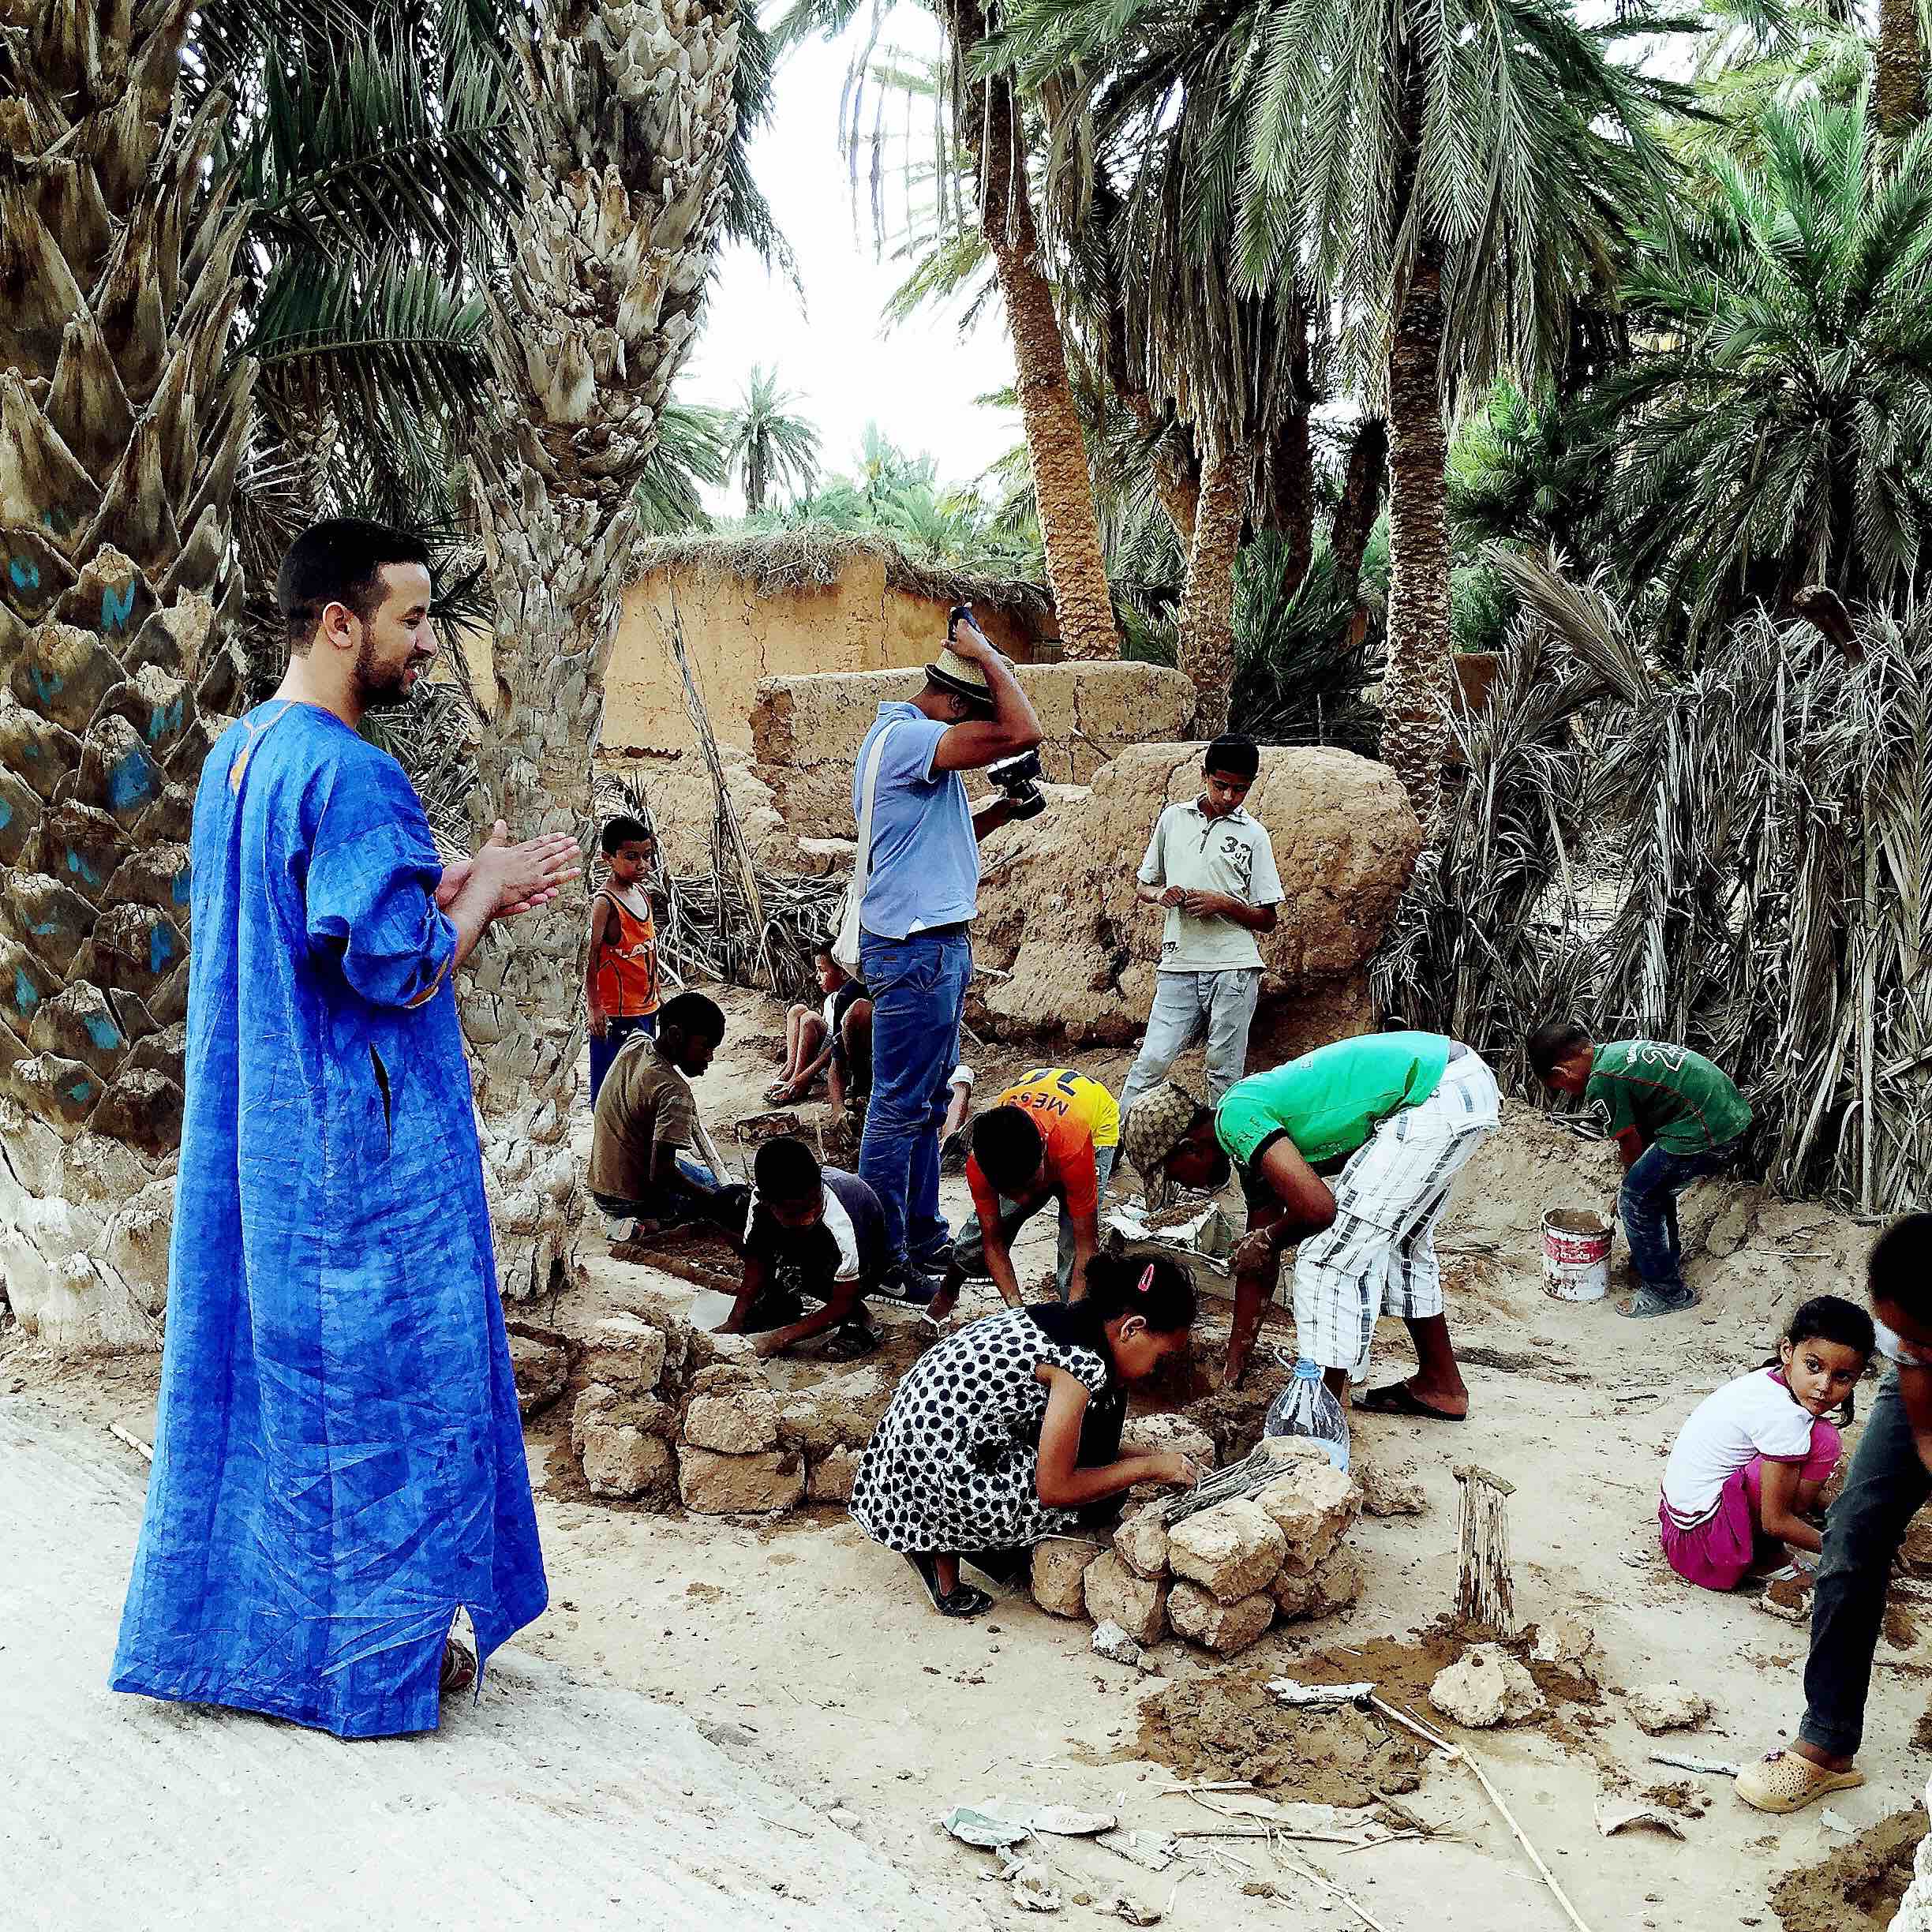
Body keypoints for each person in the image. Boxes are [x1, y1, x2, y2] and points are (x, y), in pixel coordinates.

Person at [110, 519, 579, 1738]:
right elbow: (393, 969)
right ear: (340, 622)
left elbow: (302, 913)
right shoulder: (355, 770)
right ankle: (376, 1670)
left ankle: (249, 1645)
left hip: (260, 1138)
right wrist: (474, 896)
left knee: (277, 1396)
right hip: (358, 1155)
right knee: (388, 1401)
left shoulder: (240, 757)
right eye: (413, 619)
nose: (428, 643)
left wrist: (443, 879)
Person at [1121, 1030, 1500, 1398]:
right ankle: (1441, 1384)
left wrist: (1269, 1239)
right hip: (1455, 1084)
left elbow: (1318, 1210)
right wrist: (1233, 1366)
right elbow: (1260, 1262)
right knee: (1403, 1246)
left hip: (1436, 1091)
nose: (1188, 1187)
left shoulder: (1237, 1116)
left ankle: (1322, 1418)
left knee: (1326, 1258)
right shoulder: (1251, 1149)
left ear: (1190, 1149)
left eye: (1174, 1176)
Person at [853, 612, 1043, 1299]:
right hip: (917, 950)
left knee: (926, 1104)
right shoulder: (910, 739)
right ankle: (880, 1251)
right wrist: (986, 650)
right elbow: (1023, 731)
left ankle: (922, 1233)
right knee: (900, 1106)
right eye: (975, 720)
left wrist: (1002, 811)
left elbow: (931, 843)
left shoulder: (899, 744)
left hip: (926, 946)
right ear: (959, 706)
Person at [848, 1253, 1205, 1617]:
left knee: (1097, 1458)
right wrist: (1145, 1469)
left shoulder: (1069, 1320)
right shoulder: (1080, 1365)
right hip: (929, 1468)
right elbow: (1056, 1488)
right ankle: (942, 1549)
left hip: (908, 1447)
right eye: (1160, 1357)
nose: (1155, 1370)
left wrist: (1147, 1458)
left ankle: (944, 1535)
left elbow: (1078, 1441)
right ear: (1131, 1328)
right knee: (1097, 1499)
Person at [1738, 1216, 1932, 1814]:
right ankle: (1826, 1741)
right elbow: (1925, 1430)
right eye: (1897, 1340)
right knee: (1852, 1532)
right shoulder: (1912, 1326)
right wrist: (1918, 1360)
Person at [1529, 1022, 1753, 1320]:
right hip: (1725, 1116)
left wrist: (1627, 1189)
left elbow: (1630, 1142)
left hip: (1706, 1129)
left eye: (1561, 1088)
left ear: (1562, 1073)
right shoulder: (1612, 1055)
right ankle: (1661, 1260)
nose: (1569, 1093)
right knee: (1653, 1187)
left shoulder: (1601, 1081)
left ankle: (1665, 1291)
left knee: (1637, 1197)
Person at [1116, 735, 1284, 1125]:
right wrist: (1162, 895)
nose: (1228, 796)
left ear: (1251, 785)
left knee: (1224, 1069)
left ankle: (1220, 1158)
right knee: (1152, 1059)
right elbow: (1144, 884)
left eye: (1240, 789)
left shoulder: (1254, 835)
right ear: (1204, 776)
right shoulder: (1173, 819)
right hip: (1177, 962)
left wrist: (1224, 904)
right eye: (1220, 785)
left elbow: (1268, 918)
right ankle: (1118, 1143)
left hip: (1235, 967)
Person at [1659, 1297, 1872, 1594]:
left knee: (1811, 1443)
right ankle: (1766, 1559)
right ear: (1788, 1351)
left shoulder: (1768, 1381)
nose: (1824, 1385)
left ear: (1857, 1378)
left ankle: (1776, 1530)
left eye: (1841, 1377)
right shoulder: (1785, 1417)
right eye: (1813, 1366)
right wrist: (1851, 1550)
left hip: (1680, 1525)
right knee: (1823, 1441)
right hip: (1704, 1547)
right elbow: (1776, 1522)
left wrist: (1844, 1514)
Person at [929, 1067, 1121, 1322]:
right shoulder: (982, 1163)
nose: (1024, 1197)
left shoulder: (1073, 1146)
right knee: (976, 1234)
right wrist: (1017, 1313)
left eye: (1029, 1186)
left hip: (1093, 1124)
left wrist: (1070, 1322)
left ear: (1043, 1149)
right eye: (1011, 1191)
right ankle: (946, 1294)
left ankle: (1074, 1319)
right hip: (1041, 1114)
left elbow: (1087, 1246)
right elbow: (992, 1242)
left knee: (1071, 1248)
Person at [715, 1137, 886, 1361]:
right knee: (731, 1210)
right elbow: (756, 1264)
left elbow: (844, 1297)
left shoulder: (841, 1222)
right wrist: (735, 1321)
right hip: (815, 1244)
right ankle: (780, 1302)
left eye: (814, 1205)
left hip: (870, 1254)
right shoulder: (760, 1203)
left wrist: (777, 1339)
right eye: (794, 1213)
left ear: (820, 1187)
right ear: (767, 1202)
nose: (808, 1218)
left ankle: (861, 1322)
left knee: (820, 1278)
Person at [588, 990, 739, 1239]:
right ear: (676, 1035)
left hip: (602, 1187)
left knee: (702, 1177)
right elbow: (663, 1174)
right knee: (725, 1202)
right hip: (632, 1199)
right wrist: (716, 1201)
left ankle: (629, 1219)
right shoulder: (674, 1092)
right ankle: (648, 1225)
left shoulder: (636, 1044)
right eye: (705, 1046)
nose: (709, 1057)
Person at [585, 814, 661, 1103]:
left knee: (641, 1085)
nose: (642, 864)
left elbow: (648, 952)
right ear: (608, 858)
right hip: (617, 1013)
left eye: (646, 856)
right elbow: (590, 956)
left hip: (645, 1008)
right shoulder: (605, 904)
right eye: (632, 857)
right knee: (611, 1092)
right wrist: (595, 1006)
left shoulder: (642, 893)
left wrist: (657, 995)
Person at [768, 947, 870, 1110]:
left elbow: (835, 1047)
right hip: (818, 1062)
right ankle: (790, 1071)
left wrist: (803, 1078)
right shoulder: (830, 1000)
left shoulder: (850, 1000)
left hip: (833, 1063)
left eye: (822, 971)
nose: (817, 976)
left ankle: (798, 1082)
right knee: (797, 1010)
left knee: (809, 1019)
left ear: (844, 973)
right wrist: (792, 1063)